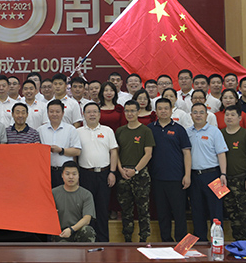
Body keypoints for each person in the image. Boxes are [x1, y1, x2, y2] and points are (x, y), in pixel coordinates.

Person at [149, 98, 191, 242]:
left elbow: (186, 153)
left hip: (176, 178)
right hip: (157, 178)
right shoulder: (150, 129)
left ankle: (181, 243)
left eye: (166, 108)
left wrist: (187, 175)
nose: (163, 111)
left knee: (179, 213)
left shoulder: (179, 129)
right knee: (162, 213)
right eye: (160, 108)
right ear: (156, 111)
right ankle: (166, 242)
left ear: (172, 110)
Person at [76, 102, 117, 242]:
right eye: (88, 112)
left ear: (99, 114)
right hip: (85, 174)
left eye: (95, 112)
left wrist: (112, 172)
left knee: (102, 208)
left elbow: (113, 152)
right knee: (87, 209)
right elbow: (75, 154)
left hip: (104, 174)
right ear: (84, 115)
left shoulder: (107, 131)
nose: (92, 114)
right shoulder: (78, 132)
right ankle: (88, 240)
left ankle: (104, 241)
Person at [186, 102, 228, 239]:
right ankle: (201, 240)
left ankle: (217, 240)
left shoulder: (215, 131)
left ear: (206, 115)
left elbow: (221, 153)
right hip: (194, 176)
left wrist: (223, 174)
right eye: (195, 112)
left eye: (201, 112)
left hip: (213, 175)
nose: (198, 115)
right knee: (197, 209)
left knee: (216, 209)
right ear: (191, 115)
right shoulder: (187, 132)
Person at [115, 101, 155, 242]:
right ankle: (127, 239)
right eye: (127, 111)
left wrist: (136, 170)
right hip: (123, 174)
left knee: (143, 209)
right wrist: (120, 169)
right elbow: (115, 153)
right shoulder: (120, 131)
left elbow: (148, 154)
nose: (129, 113)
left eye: (132, 110)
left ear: (138, 112)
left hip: (140, 174)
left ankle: (144, 239)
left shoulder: (146, 131)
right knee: (126, 209)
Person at [220, 104, 246, 242]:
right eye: (227, 115)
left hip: (241, 178)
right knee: (232, 213)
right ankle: (237, 242)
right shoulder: (220, 134)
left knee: (245, 213)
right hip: (225, 180)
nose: (229, 117)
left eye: (233, 115)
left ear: (240, 118)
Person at [38, 100, 81, 188]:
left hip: (64, 172)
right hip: (46, 171)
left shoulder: (71, 129)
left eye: (57, 111)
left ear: (63, 113)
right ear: (47, 113)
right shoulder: (40, 130)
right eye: (51, 111)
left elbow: (77, 151)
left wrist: (61, 150)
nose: (54, 114)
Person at [52, 162, 97, 242]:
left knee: (88, 231)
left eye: (74, 174)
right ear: (62, 175)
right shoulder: (53, 193)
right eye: (67, 174)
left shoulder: (86, 194)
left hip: (77, 230)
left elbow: (87, 219)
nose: (71, 177)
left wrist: (71, 229)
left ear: (79, 175)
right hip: (60, 232)